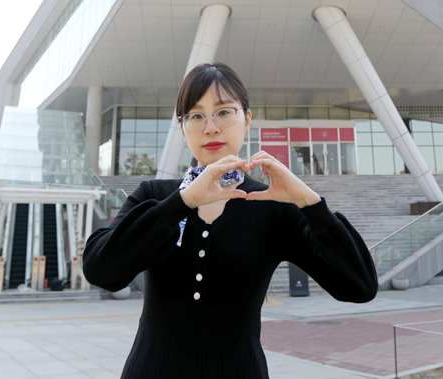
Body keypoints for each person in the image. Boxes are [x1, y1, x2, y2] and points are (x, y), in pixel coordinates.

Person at [83, 62, 378, 378]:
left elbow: (358, 286)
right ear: (183, 129)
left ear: (247, 120)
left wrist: (311, 205)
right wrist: (182, 203)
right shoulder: (156, 196)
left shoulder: (273, 207)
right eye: (195, 116)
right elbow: (101, 270)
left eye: (224, 112)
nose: (210, 127)